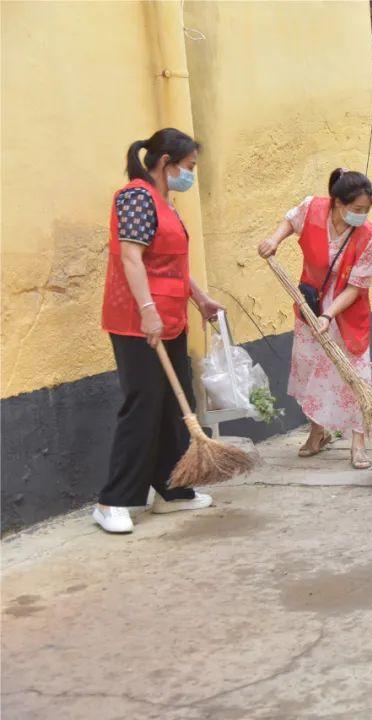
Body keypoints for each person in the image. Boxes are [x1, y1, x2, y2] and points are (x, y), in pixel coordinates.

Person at [97, 128, 224, 534]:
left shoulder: (167, 204)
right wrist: (147, 310)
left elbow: (172, 264)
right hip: (138, 322)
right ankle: (112, 501)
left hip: (171, 319)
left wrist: (200, 298)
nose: (190, 175)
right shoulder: (135, 197)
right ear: (165, 163)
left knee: (173, 404)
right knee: (144, 403)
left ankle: (173, 492)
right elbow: (132, 259)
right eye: (188, 167)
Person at [258, 169, 372, 469]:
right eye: (356, 210)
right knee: (312, 367)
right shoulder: (313, 208)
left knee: (355, 375)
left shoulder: (367, 235)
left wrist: (329, 314)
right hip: (310, 303)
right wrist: (274, 240)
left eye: (366, 210)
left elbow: (355, 287)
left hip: (346, 312)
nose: (361, 215)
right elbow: (290, 220)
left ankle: (359, 443)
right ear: (337, 203)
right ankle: (318, 433)